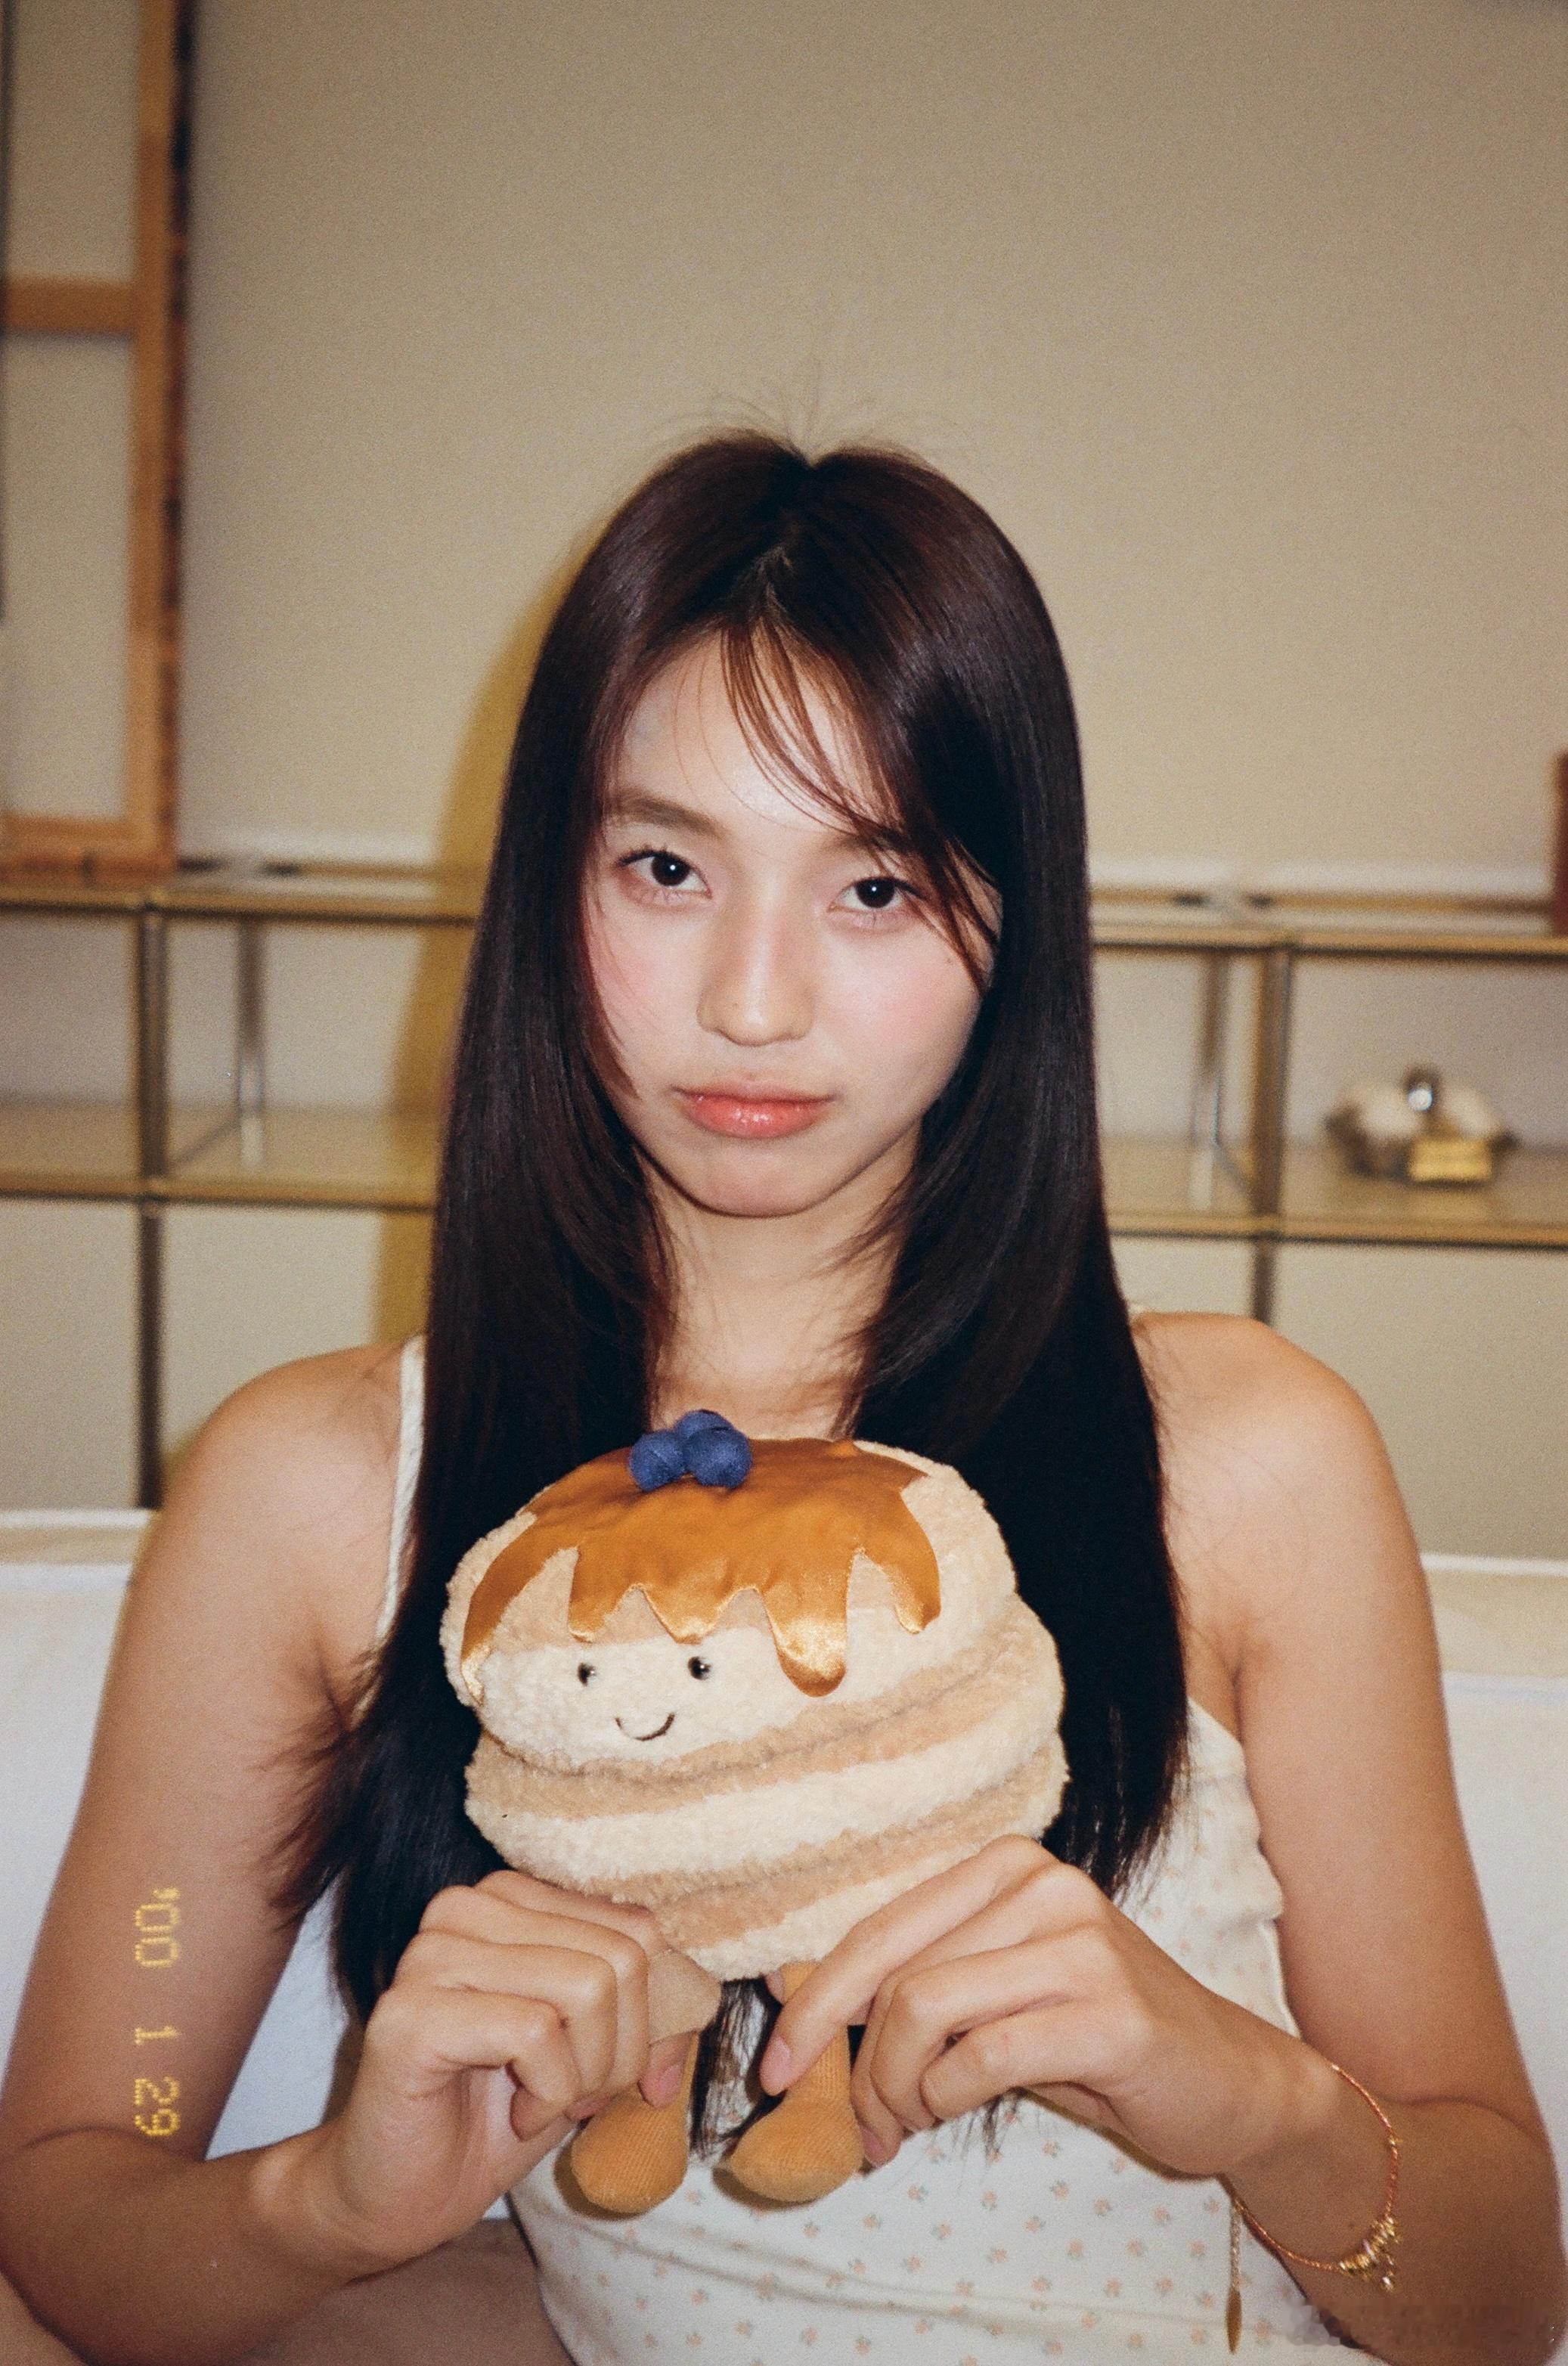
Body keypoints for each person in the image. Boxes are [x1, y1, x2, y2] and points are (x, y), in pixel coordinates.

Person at [0, 433, 1561, 2366]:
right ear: (549, 884)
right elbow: (88, 2181)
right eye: (666, 866)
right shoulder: (322, 1494)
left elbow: (1497, 2294)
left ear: (1011, 923)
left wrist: (1248, 2094)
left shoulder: (1242, 1459)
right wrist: (329, 2199)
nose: (754, 998)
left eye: (875, 885)